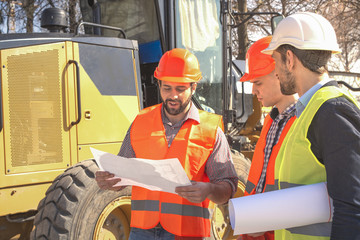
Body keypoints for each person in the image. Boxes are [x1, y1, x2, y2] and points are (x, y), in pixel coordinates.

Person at [95, 48, 238, 240]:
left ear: (193, 87)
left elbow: (228, 186)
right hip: (141, 230)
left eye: (181, 89)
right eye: (167, 88)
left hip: (187, 233)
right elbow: (123, 174)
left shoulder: (210, 130)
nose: (173, 96)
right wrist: (111, 180)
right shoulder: (141, 122)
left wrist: (210, 190)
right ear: (159, 84)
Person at [261, 12, 360, 239]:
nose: (275, 73)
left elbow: (353, 208)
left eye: (275, 61)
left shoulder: (332, 111)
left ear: (289, 58)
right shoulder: (310, 110)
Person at [237, 36, 297, 240]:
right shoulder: (272, 120)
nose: (254, 91)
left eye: (257, 82)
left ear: (279, 73)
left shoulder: (303, 121)